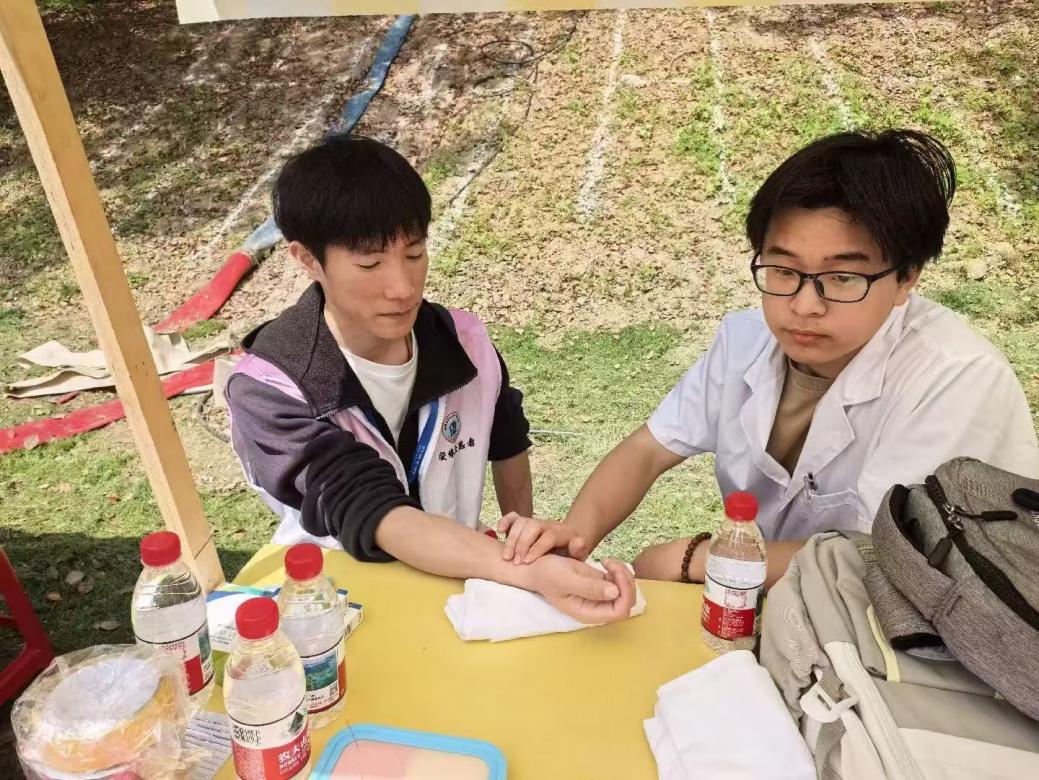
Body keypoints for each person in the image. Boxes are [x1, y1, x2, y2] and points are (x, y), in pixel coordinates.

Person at [497, 129, 1039, 587]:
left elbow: (886, 556)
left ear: (907, 278)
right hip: (787, 608)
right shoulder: (746, 339)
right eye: (782, 270)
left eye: (841, 277)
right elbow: (649, 448)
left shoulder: (956, 379)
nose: (804, 306)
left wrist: (696, 560)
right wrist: (576, 533)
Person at [225, 134, 634, 622]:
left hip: (458, 587)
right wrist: (523, 571)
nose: (402, 288)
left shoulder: (465, 341)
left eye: (415, 253)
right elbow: (369, 507)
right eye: (370, 263)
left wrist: (524, 541)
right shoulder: (271, 387)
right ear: (308, 259)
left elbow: (506, 437)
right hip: (338, 608)